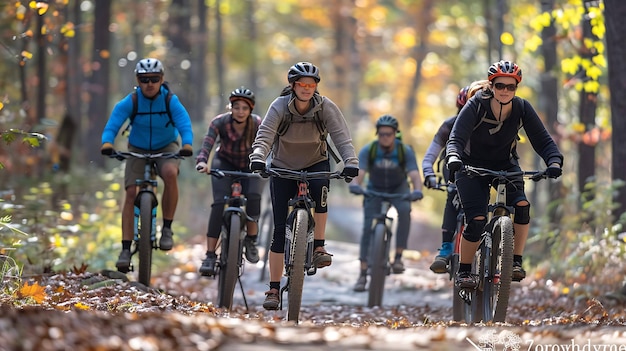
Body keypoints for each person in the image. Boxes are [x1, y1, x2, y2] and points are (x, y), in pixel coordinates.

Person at [248, 61, 359, 310]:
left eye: (311, 85)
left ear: (316, 87)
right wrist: (257, 156)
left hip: (315, 161)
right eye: (302, 85)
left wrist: (350, 161)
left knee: (321, 191)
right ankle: (274, 289)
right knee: (278, 232)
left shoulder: (324, 107)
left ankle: (319, 246)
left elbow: (341, 135)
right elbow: (265, 134)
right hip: (283, 166)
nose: (307, 89)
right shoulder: (280, 106)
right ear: (293, 86)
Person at [446, 60, 563, 288]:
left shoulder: (521, 107)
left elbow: (543, 140)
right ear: (491, 85)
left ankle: (516, 262)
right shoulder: (476, 105)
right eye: (500, 86)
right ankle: (465, 271)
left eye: (511, 87)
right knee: (477, 220)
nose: (505, 91)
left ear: (516, 88)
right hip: (470, 167)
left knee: (521, 206)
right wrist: (453, 158)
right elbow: (456, 138)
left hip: (505, 165)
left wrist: (554, 161)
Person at [100, 58, 194, 272]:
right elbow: (113, 123)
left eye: (154, 79)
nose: (149, 84)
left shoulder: (170, 100)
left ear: (162, 80)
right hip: (138, 149)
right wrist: (107, 142)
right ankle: (125, 249)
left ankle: (167, 229)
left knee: (170, 172)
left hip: (166, 146)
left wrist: (186, 144)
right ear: (138, 80)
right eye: (144, 80)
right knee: (131, 192)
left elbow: (183, 123)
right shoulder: (131, 101)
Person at [348, 115, 424, 292]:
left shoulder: (405, 151)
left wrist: (417, 190)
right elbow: (360, 172)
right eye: (381, 134)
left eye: (389, 134)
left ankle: (398, 257)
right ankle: (362, 274)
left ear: (395, 134)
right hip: (374, 189)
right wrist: (355, 185)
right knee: (367, 227)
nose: (385, 137)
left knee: (405, 212)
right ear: (377, 134)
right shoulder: (370, 149)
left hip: (399, 189)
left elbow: (413, 174)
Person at [195, 87, 264, 276]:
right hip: (224, 163)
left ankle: (251, 240)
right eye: (236, 107)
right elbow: (208, 144)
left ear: (250, 110)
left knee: (253, 196)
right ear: (231, 108)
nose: (240, 111)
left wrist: (268, 164)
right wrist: (202, 161)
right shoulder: (219, 122)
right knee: (219, 203)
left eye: (244, 108)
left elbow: (268, 145)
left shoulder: (258, 123)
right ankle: (210, 255)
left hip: (250, 165)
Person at [422, 82, 484, 274]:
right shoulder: (449, 126)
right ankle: (446, 246)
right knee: (453, 193)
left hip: (483, 171)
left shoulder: (489, 125)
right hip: (455, 171)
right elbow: (431, 154)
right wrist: (428, 174)